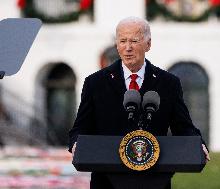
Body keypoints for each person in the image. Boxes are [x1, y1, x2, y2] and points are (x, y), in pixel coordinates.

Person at [69, 16, 210, 189]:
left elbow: (183, 126)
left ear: (148, 44)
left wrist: (198, 144)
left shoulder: (168, 83)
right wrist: (76, 143)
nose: (127, 48)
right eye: (122, 41)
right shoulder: (95, 83)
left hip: (155, 178)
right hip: (107, 179)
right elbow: (80, 127)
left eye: (134, 41)